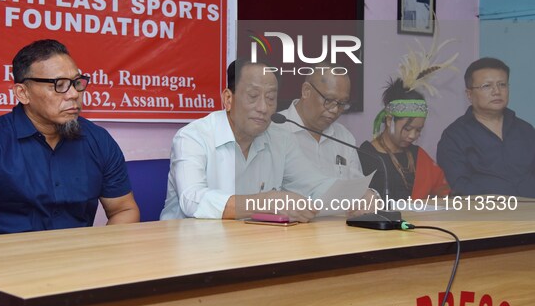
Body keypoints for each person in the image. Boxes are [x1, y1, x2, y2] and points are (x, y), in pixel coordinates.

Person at [0, 40, 139, 238]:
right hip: (6, 262)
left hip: (79, 261)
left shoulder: (98, 140)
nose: (73, 94)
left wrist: (103, 252)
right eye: (59, 85)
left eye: (77, 82)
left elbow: (124, 210)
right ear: (23, 93)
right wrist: (7, 264)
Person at [160, 59, 375, 222]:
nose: (263, 108)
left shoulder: (280, 138)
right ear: (228, 98)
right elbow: (192, 200)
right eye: (253, 96)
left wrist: (358, 194)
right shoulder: (192, 137)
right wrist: (265, 202)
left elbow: (314, 184)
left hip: (250, 246)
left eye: (271, 98)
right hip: (189, 248)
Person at [437, 58, 535, 197]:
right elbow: (459, 185)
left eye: (502, 84)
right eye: (487, 86)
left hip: (530, 212)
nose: (497, 91)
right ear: (469, 94)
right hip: (483, 214)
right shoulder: (454, 136)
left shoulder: (525, 130)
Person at [359, 79, 449, 201]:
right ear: (390, 120)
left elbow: (443, 191)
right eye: (407, 128)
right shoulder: (367, 155)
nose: (412, 136)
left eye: (418, 130)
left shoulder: (418, 154)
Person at [276, 67, 363, 179]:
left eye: (342, 103)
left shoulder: (344, 137)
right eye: (329, 100)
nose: (335, 110)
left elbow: (357, 187)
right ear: (306, 91)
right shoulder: (275, 130)